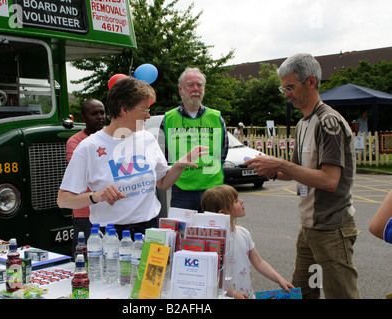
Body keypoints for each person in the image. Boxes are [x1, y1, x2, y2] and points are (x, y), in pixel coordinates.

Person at [245, 53, 361, 299]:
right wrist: (271, 170)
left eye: (290, 87)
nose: (286, 93)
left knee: (342, 295)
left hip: (332, 228)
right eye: (283, 88)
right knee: (303, 293)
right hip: (309, 228)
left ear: (310, 82)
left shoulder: (328, 122)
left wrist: (281, 165)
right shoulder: (303, 123)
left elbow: (330, 181)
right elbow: (299, 168)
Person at [57, 77, 208, 238]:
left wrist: (180, 164)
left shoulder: (147, 138)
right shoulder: (89, 147)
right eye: (144, 110)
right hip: (112, 235)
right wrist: (96, 196)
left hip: (151, 230)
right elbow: (63, 200)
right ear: (124, 109)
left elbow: (163, 182)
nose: (148, 116)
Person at [201, 184, 294, 299]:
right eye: (236, 201)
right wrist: (232, 294)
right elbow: (208, 277)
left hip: (247, 295)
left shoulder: (243, 233)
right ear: (223, 212)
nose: (242, 201)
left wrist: (279, 279)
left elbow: (259, 262)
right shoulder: (211, 241)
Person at [160, 67, 228, 212]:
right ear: (181, 89)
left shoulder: (216, 117)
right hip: (181, 190)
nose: (196, 89)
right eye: (190, 85)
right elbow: (163, 155)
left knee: (213, 233)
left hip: (214, 189)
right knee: (181, 233)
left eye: (200, 85)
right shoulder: (169, 119)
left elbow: (223, 152)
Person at [66, 98, 105, 255]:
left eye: (102, 112)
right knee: (86, 260)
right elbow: (85, 172)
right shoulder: (75, 142)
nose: (100, 117)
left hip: (108, 211)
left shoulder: (113, 138)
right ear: (83, 117)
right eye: (94, 113)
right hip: (85, 214)